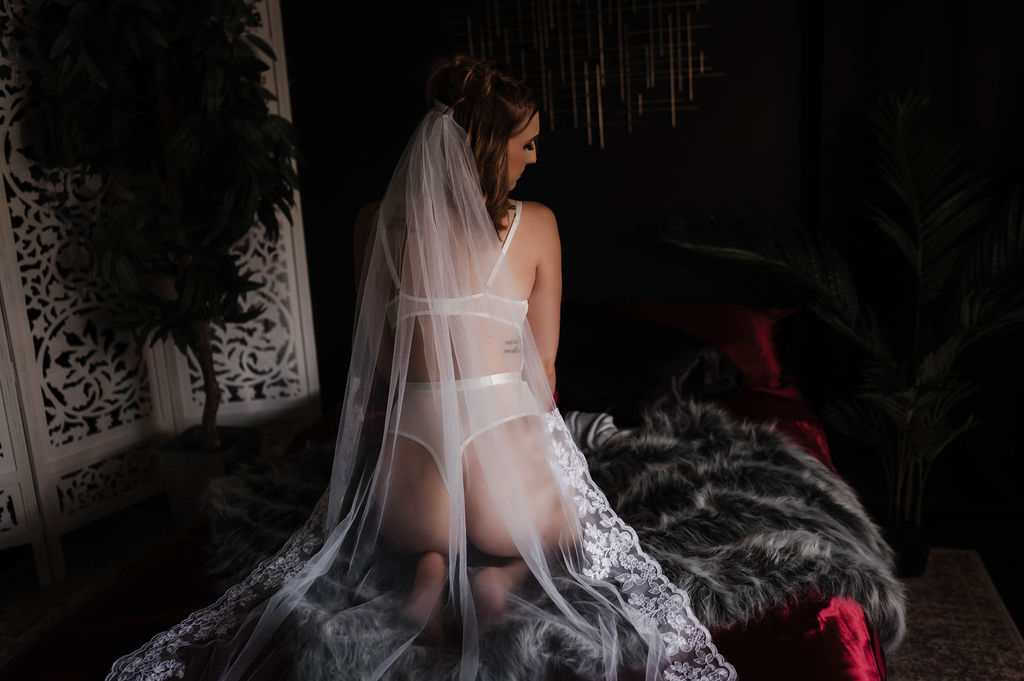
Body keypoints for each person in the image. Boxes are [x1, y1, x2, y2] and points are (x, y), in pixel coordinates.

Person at [107, 55, 735, 681]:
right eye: (527, 143)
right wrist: (548, 452)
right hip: (500, 496)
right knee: (577, 529)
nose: (535, 157)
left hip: (410, 494)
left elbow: (381, 359)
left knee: (420, 525)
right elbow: (543, 372)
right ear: (491, 149)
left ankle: (429, 568)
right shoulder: (537, 224)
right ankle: (500, 577)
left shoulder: (373, 223)